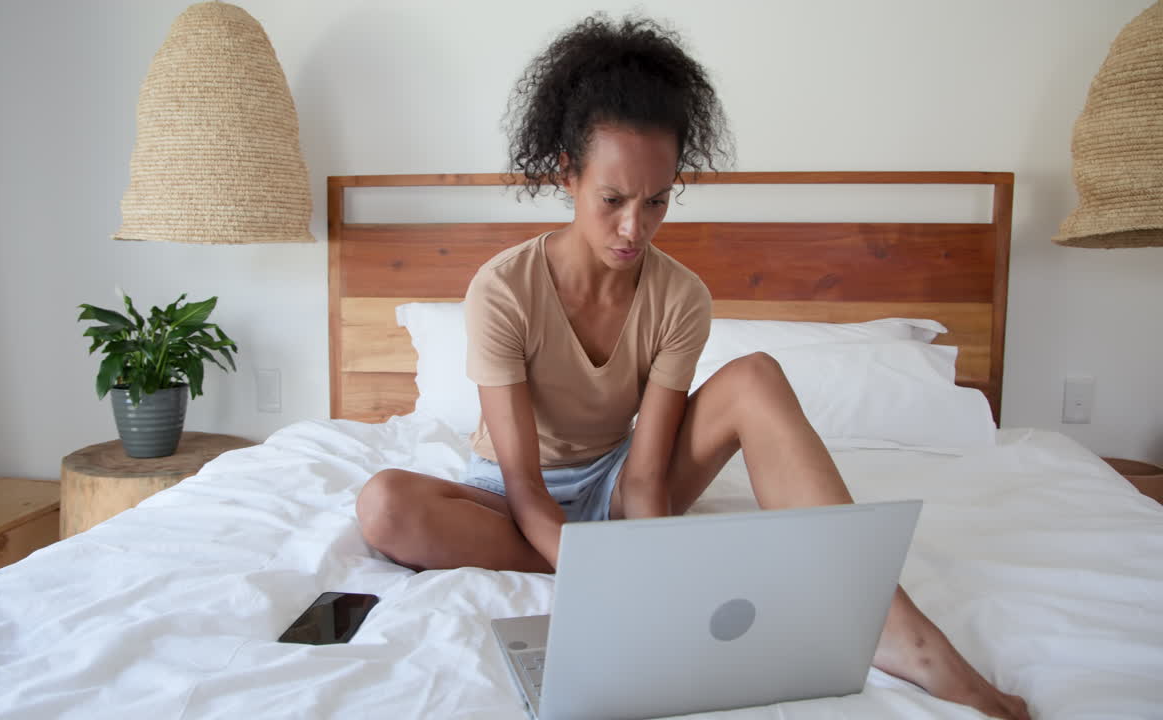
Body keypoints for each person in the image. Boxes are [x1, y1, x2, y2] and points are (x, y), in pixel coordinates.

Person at [356, 14, 1029, 720]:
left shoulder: (680, 297)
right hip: (512, 497)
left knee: (756, 377)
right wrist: (611, 582)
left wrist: (657, 565)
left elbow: (646, 474)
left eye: (656, 202)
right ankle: (604, 559)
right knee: (384, 507)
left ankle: (900, 633)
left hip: (618, 486)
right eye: (612, 200)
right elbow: (526, 485)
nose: (633, 230)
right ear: (567, 174)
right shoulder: (503, 289)